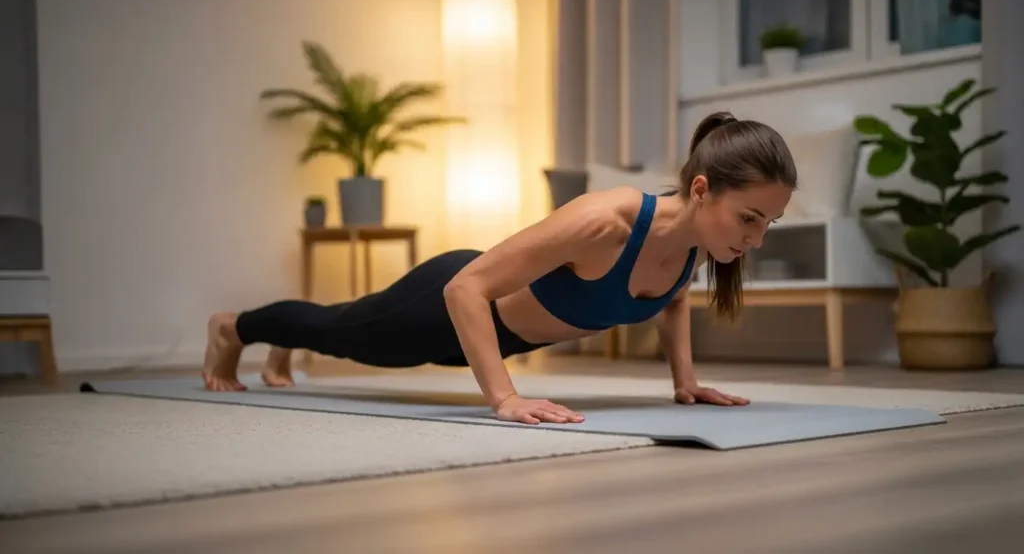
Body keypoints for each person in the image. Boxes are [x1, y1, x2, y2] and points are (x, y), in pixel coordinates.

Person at [202, 111, 798, 426]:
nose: (757, 238)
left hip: (489, 338)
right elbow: (467, 287)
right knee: (339, 331)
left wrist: (684, 382)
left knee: (335, 329)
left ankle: (280, 342)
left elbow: (668, 299)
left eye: (767, 224)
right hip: (445, 306)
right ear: (701, 189)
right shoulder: (605, 222)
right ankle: (234, 328)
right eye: (751, 218)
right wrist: (505, 399)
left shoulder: (702, 243)